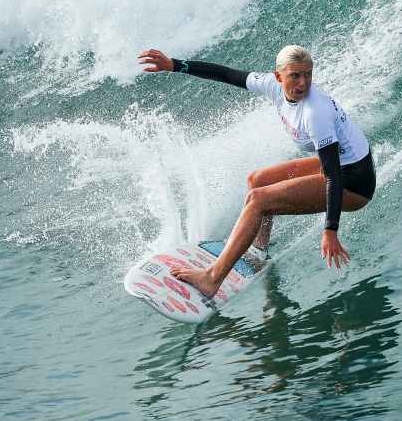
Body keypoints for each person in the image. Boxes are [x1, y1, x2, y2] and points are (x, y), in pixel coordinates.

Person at [137, 45, 376, 299]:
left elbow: (333, 177)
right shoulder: (271, 86)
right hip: (340, 164)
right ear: (278, 77)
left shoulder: (315, 112)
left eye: (308, 74)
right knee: (258, 180)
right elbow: (227, 75)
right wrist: (175, 64)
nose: (303, 83)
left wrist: (330, 230)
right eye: (295, 75)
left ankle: (211, 278)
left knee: (258, 200)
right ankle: (258, 253)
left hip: (354, 182)